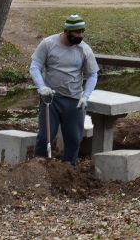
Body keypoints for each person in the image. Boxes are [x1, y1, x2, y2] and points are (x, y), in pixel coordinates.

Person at [29, 13, 99, 165]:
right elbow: (35, 66)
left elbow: (93, 74)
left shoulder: (84, 49)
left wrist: (85, 96)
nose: (80, 35)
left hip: (74, 100)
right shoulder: (48, 44)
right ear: (67, 31)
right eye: (77, 32)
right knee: (46, 136)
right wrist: (41, 87)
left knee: (74, 138)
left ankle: (69, 166)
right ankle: (38, 166)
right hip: (51, 99)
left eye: (82, 32)